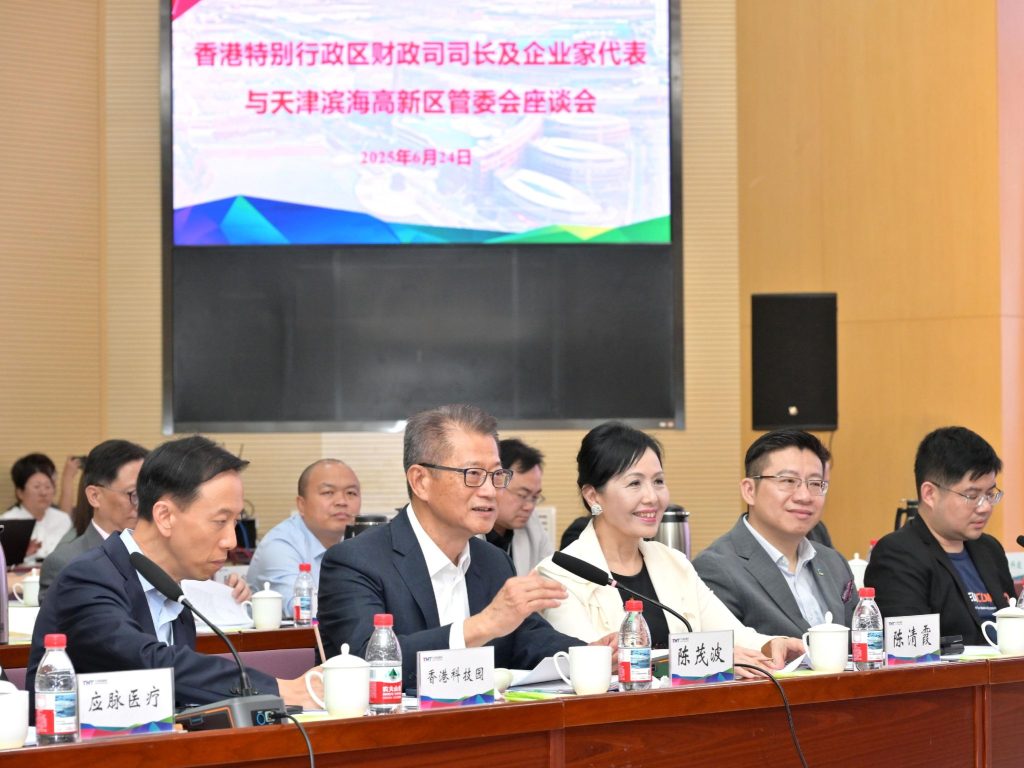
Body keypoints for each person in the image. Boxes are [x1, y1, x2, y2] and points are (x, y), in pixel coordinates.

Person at [26, 435, 318, 710]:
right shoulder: (88, 578)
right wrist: (279, 690)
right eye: (220, 521)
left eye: (235, 522)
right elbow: (147, 664)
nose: (231, 541)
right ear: (165, 516)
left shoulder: (173, 589)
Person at [318, 404, 599, 688]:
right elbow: (363, 664)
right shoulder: (356, 561)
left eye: (496, 475)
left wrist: (591, 654)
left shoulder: (493, 561)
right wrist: (481, 626)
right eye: (473, 474)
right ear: (421, 481)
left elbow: (527, 639)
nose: (490, 491)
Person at [537, 422, 803, 676]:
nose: (652, 497)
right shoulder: (558, 575)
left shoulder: (673, 562)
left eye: (658, 481)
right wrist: (713, 658)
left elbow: (734, 636)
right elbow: (592, 664)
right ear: (593, 496)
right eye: (634, 483)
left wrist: (773, 644)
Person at [692, 430, 856, 638]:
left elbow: (861, 644)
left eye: (815, 483)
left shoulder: (834, 562)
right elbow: (727, 652)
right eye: (788, 481)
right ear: (749, 491)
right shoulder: (716, 568)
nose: (804, 496)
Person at [865, 426, 1014, 646]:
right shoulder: (897, 555)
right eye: (972, 495)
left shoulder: (990, 549)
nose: (985, 507)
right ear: (930, 494)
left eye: (990, 494)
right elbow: (911, 651)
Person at [246, 459, 362, 616]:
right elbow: (301, 610)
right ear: (301, 504)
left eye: (351, 493)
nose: (342, 501)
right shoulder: (279, 546)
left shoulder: (359, 542)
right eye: (328, 492)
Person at [39, 439, 149, 601]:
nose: (144, 504)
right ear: (95, 496)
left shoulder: (161, 554)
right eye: (134, 494)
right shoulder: (66, 562)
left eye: (148, 493)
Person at [485, 438, 553, 574]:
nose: (529, 507)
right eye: (522, 495)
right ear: (495, 483)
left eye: (535, 497)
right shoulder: (467, 528)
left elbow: (550, 573)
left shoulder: (532, 525)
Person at [2, 453, 72, 562]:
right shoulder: (7, 522)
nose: (43, 493)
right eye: (37, 487)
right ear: (20, 493)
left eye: (48, 487)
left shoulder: (63, 519)